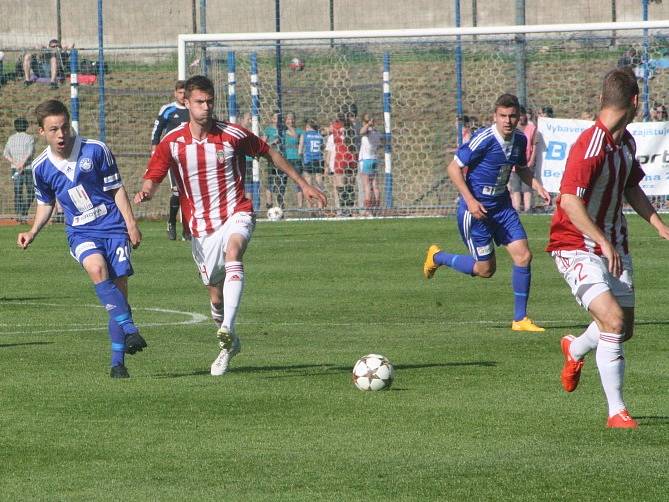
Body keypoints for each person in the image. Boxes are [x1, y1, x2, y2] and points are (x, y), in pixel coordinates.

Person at [134, 75, 326, 376]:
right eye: (200, 102)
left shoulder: (232, 134)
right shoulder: (172, 142)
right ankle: (229, 345)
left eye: (210, 101)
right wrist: (146, 192)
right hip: (200, 226)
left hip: (236, 211)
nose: (206, 107)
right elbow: (155, 174)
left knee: (233, 252)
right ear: (187, 103)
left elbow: (269, 153)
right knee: (215, 294)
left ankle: (227, 327)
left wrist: (302, 184)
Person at [547, 68, 669, 429]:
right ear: (635, 101)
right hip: (575, 246)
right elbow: (568, 200)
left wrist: (659, 225)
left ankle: (575, 347)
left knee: (622, 328)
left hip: (613, 243)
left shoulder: (626, 143)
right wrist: (600, 240)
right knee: (613, 321)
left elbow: (631, 188)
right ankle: (617, 412)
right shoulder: (590, 146)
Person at [17, 99, 146, 378]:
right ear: (42, 133)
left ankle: (117, 363)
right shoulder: (41, 168)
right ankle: (131, 329)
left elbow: (116, 189)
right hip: (81, 232)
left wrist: (131, 224)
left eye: (64, 127)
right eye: (53, 130)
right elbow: (45, 203)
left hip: (112, 227)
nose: (61, 134)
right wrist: (32, 232)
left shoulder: (96, 150)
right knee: (97, 269)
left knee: (119, 294)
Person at [423, 93, 550, 332]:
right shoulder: (484, 139)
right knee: (485, 270)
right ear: (495, 116)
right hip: (477, 212)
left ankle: (520, 319)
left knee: (523, 256)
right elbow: (453, 168)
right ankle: (438, 257)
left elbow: (520, 168)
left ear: (519, 117)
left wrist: (537, 186)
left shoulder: (521, 140)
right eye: (503, 116)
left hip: (502, 208)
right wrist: (470, 200)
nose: (508, 121)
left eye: (512, 116)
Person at [150, 80, 191, 241]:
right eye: (180, 92)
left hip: (190, 156)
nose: (182, 95)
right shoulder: (168, 110)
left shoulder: (193, 108)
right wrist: (154, 148)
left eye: (185, 92)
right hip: (172, 156)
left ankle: (187, 229)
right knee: (177, 190)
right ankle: (172, 222)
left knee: (189, 192)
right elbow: (157, 129)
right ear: (175, 93)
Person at [4, 117, 35, 223]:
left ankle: (20, 214)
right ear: (26, 126)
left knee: (18, 192)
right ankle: (23, 212)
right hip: (27, 168)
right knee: (31, 191)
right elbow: (30, 152)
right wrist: (22, 163)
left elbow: (5, 154)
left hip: (15, 168)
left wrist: (15, 163)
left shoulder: (11, 138)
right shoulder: (30, 138)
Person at [508, 106, 536, 213]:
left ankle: (528, 209)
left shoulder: (532, 129)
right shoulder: (512, 129)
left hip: (527, 163)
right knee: (515, 188)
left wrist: (531, 161)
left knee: (527, 187)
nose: (520, 118)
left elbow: (534, 146)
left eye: (522, 115)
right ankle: (517, 208)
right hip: (514, 165)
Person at [358, 113, 383, 214]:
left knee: (367, 186)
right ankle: (377, 209)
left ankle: (368, 211)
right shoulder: (377, 133)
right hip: (374, 160)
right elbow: (382, 141)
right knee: (375, 186)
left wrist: (367, 125)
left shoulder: (367, 132)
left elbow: (361, 131)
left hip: (366, 161)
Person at [262, 112, 287, 209]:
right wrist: (273, 142)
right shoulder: (268, 130)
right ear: (272, 119)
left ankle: (280, 205)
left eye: (280, 118)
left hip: (283, 159)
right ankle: (269, 205)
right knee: (271, 182)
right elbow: (263, 144)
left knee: (281, 183)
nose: (278, 120)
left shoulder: (284, 130)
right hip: (272, 159)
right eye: (276, 118)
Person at [299, 119, 325, 208]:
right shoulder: (319, 134)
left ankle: (310, 208)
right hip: (318, 160)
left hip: (308, 161)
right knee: (319, 184)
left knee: (308, 184)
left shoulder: (304, 134)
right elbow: (322, 147)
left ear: (308, 127)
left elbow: (300, 150)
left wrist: (301, 158)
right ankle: (320, 206)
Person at [283, 112, 304, 209]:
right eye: (288, 119)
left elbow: (297, 139)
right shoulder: (282, 132)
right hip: (285, 160)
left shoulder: (299, 131)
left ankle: (300, 206)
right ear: (285, 120)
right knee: (282, 182)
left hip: (296, 159)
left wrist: (290, 128)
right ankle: (281, 206)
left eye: (292, 119)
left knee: (298, 182)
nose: (290, 121)